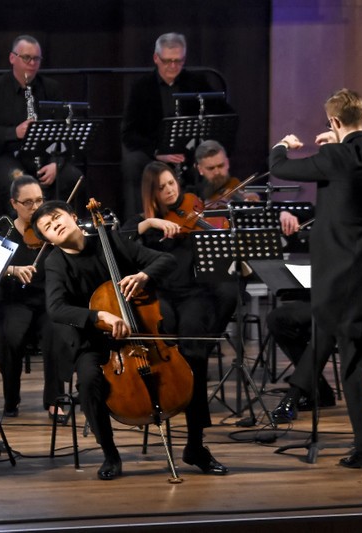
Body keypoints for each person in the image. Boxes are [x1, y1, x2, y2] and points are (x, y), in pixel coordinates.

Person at [269, 88, 362, 470]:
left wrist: (284, 143)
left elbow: (279, 166)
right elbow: (359, 152)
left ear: (332, 121)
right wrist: (341, 139)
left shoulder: (331, 158)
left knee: (350, 362)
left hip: (347, 278)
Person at [33, 200, 179, 480]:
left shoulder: (110, 240)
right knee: (88, 381)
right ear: (48, 240)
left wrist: (144, 275)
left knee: (186, 364)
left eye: (57, 218)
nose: (56, 225)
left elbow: (166, 260)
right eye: (48, 228)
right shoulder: (55, 263)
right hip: (94, 339)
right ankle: (110, 453)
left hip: (138, 331)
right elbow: (56, 308)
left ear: (73, 216)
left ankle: (195, 445)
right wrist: (100, 315)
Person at [121, 161, 231, 475]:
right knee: (169, 356)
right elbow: (121, 240)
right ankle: (160, 409)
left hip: (193, 294)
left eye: (172, 183)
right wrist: (151, 223)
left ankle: (195, 444)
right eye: (162, 187)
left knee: (196, 357)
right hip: (159, 298)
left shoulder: (190, 215)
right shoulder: (142, 223)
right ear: (151, 193)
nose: (170, 190)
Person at [121, 33, 232, 216]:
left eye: (178, 61)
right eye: (167, 61)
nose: (173, 66)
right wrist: (158, 153)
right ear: (156, 58)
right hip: (155, 153)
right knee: (132, 163)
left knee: (210, 161)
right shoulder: (141, 87)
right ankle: (138, 223)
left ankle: (210, 221)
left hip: (189, 152)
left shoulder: (197, 82)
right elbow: (129, 133)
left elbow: (223, 115)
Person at [0, 35, 82, 213]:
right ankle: (22, 237)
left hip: (41, 156)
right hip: (1, 155)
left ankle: (62, 234)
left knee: (72, 177)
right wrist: (14, 132)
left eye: (36, 58)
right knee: (19, 184)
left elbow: (62, 131)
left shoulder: (50, 88)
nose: (32, 63)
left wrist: (56, 163)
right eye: (26, 57)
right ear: (12, 58)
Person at [0, 176, 66, 421]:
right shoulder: (4, 227)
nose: (35, 208)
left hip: (47, 300)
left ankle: (54, 400)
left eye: (39, 201)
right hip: (14, 300)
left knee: (57, 333)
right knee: (11, 336)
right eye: (28, 203)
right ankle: (11, 398)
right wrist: (12, 270)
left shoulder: (50, 227)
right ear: (14, 203)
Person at [193, 140, 260, 206]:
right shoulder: (192, 194)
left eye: (221, 166)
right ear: (200, 169)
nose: (217, 172)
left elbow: (245, 193)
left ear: (227, 163)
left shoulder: (234, 183)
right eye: (211, 168)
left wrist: (250, 196)